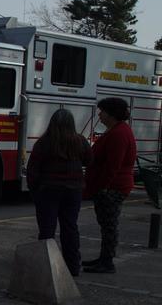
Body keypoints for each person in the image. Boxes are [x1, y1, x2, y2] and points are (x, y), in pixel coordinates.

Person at [25, 109, 92, 277]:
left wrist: (35, 192)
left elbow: (33, 171)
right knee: (70, 227)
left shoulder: (44, 143)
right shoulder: (80, 142)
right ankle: (73, 266)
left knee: (47, 229)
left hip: (48, 190)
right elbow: (90, 160)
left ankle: (46, 266)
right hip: (73, 190)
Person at [82, 97, 137, 273]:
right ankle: (104, 258)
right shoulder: (116, 130)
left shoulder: (118, 134)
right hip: (110, 185)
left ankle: (107, 262)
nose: (100, 114)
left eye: (102, 111)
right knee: (106, 224)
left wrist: (103, 186)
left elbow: (113, 165)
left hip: (113, 187)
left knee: (109, 224)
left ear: (111, 113)